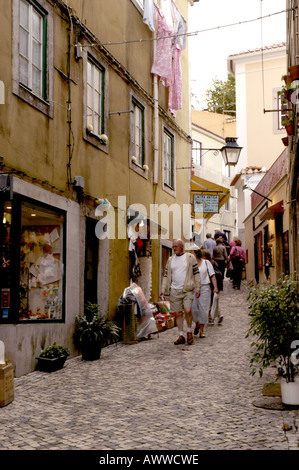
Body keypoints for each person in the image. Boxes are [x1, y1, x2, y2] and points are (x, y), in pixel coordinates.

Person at [160, 239, 201, 345]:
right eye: (173, 246)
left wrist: (198, 287)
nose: (174, 248)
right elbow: (166, 275)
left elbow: (196, 273)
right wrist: (163, 288)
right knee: (178, 313)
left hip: (187, 289)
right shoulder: (170, 260)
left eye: (176, 246)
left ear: (182, 246)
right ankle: (181, 335)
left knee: (187, 310)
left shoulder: (190, 258)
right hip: (174, 290)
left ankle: (189, 331)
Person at [191, 248, 219, 338]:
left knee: (203, 309)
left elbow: (212, 275)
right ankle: (197, 324)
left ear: (197, 254)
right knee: (193, 309)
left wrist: (215, 287)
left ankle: (202, 331)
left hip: (205, 287)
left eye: (192, 254)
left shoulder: (206, 263)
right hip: (193, 288)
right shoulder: (190, 264)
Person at [202, 249, 223, 325]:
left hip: (210, 284)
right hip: (217, 284)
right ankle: (219, 314)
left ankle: (211, 319)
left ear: (204, 256)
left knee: (209, 302)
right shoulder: (214, 262)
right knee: (214, 301)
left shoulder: (205, 263)